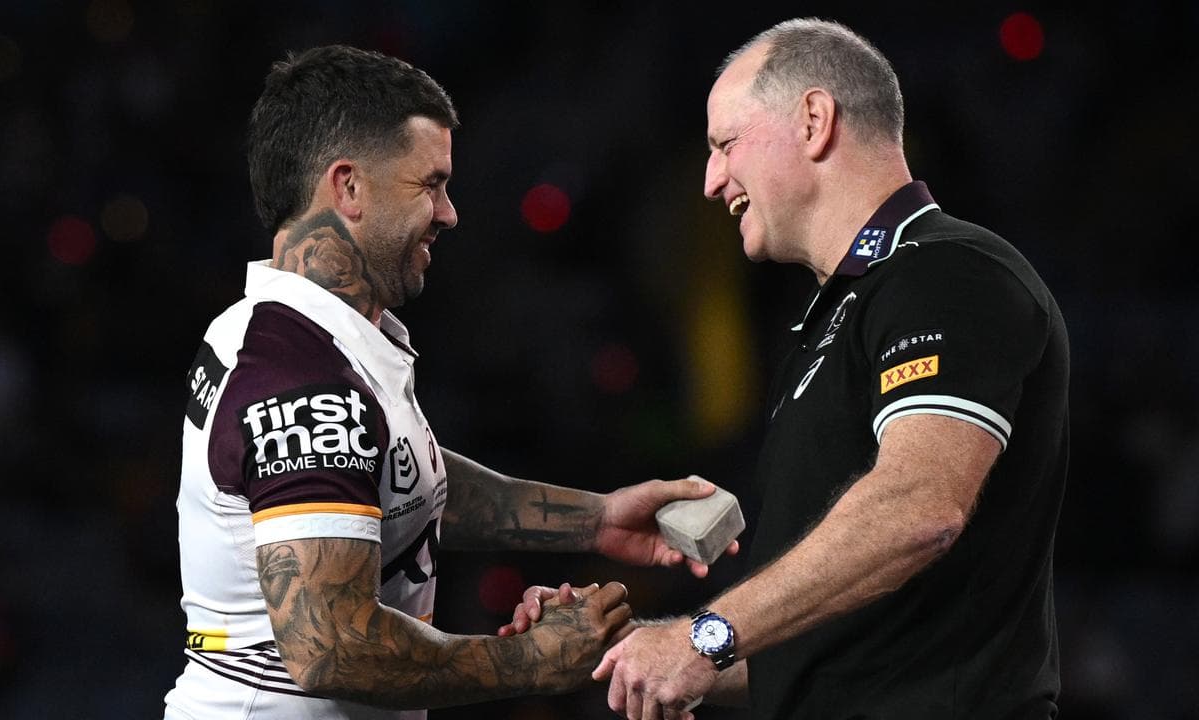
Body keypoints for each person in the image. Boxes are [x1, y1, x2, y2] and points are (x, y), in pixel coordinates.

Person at [514, 18, 1066, 719]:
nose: (711, 180)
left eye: (726, 144)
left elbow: (919, 507)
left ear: (813, 121)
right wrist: (628, 650)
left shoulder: (948, 271)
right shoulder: (827, 325)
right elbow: (817, 651)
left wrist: (703, 637)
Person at [162, 45, 736, 720]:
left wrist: (596, 519)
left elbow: (394, 478)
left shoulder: (291, 334)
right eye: (429, 185)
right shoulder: (303, 382)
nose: (448, 212)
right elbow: (331, 649)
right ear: (348, 188)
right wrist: (533, 661)